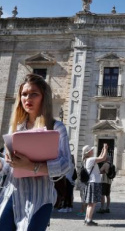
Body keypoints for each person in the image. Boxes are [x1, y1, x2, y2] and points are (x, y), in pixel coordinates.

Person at [0, 73, 72, 231]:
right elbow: (9, 167)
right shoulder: (16, 128)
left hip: (40, 197)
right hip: (13, 195)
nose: (28, 98)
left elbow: (66, 164)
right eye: (24, 94)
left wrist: (31, 166)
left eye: (34, 94)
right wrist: (3, 162)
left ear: (43, 97)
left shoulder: (56, 128)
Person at [83, 143, 108, 226]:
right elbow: (103, 158)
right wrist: (106, 148)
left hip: (91, 183)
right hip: (94, 183)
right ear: (88, 152)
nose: (93, 151)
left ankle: (87, 219)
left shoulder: (87, 160)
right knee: (92, 203)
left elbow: (100, 157)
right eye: (91, 150)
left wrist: (103, 150)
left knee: (90, 203)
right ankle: (89, 220)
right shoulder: (90, 160)